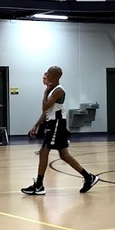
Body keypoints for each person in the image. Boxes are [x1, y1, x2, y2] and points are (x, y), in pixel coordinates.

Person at [21, 66, 98, 195]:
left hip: (57, 123)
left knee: (44, 151)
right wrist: (36, 125)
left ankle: (39, 185)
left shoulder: (58, 91)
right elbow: (46, 111)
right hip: (53, 123)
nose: (47, 76)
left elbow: (45, 105)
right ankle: (88, 177)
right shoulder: (53, 90)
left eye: (49, 74)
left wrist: (45, 92)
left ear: (55, 76)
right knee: (63, 155)